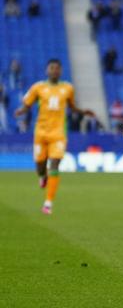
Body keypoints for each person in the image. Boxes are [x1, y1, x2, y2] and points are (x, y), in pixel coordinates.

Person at [14, 59, 94, 214]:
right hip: (41, 133)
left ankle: (48, 203)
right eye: (52, 68)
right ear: (47, 70)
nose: (54, 70)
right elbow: (27, 105)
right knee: (40, 166)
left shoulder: (68, 88)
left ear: (61, 71)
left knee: (55, 164)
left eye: (57, 68)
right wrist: (20, 111)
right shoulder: (38, 87)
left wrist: (83, 112)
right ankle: (42, 177)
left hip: (58, 134)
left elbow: (72, 107)